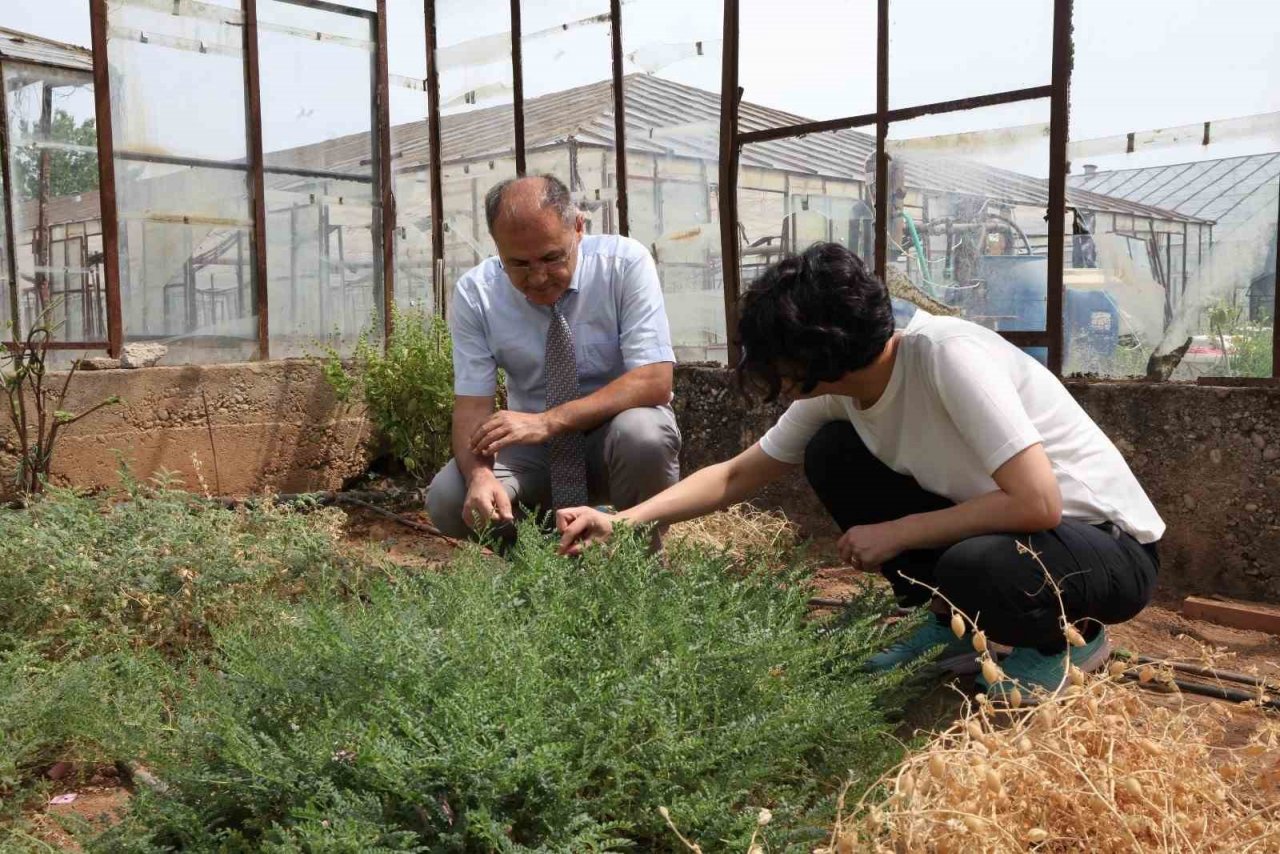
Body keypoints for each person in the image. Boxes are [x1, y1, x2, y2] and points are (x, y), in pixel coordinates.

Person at [556, 242, 1162, 698]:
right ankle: (953, 624)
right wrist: (625, 520)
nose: (771, 369)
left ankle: (1063, 644)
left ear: (820, 351)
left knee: (974, 562)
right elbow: (738, 475)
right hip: (1025, 535)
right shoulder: (836, 393)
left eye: (779, 355)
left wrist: (897, 533)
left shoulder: (947, 357)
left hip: (1105, 550)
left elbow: (1038, 504)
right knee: (831, 454)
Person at [426, 174, 681, 543]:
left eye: (551, 257)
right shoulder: (476, 294)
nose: (539, 277)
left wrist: (549, 421)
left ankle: (638, 563)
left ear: (578, 227)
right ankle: (542, 569)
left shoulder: (623, 264)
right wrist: (481, 475)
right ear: (497, 247)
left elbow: (654, 379)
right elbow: (471, 407)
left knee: (644, 435)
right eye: (519, 264)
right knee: (450, 496)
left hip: (610, 442)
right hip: (535, 455)